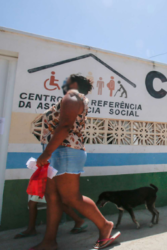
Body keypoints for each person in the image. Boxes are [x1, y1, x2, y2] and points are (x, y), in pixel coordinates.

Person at [30, 74, 119, 250]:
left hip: (65, 152)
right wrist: (48, 152)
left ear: (75, 84)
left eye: (67, 81)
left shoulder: (72, 96)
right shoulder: (73, 98)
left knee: (71, 198)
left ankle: (104, 226)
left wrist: (46, 154)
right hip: (58, 152)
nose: (64, 83)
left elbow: (65, 126)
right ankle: (49, 241)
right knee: (52, 197)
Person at [15, 196, 87, 239]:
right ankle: (31, 229)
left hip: (50, 177)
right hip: (42, 178)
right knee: (32, 203)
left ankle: (78, 220)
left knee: (56, 201)